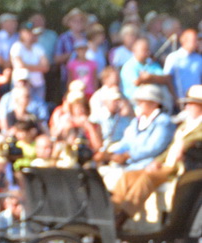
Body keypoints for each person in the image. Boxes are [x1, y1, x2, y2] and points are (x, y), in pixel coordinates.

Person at [105, 86, 180, 218]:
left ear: (154, 103)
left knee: (142, 180)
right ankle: (111, 212)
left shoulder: (164, 122)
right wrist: (110, 154)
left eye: (143, 101)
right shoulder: (137, 121)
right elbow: (125, 142)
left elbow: (155, 147)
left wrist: (129, 155)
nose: (139, 104)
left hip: (153, 164)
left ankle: (122, 217)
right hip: (134, 166)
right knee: (125, 179)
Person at [48, 83, 103, 164]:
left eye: (82, 106)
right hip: (67, 158)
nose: (81, 110)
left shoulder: (93, 124)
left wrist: (89, 127)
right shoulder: (64, 119)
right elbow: (56, 140)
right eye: (77, 107)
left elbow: (98, 147)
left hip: (87, 159)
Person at [120, 36, 173, 111]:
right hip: (136, 103)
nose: (147, 53)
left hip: (155, 99)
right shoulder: (128, 67)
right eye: (144, 50)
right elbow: (137, 82)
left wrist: (149, 77)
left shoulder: (151, 63)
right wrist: (151, 78)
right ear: (134, 51)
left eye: (148, 50)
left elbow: (165, 78)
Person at [8, 23, 51, 96]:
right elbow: (19, 65)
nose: (31, 34)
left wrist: (27, 66)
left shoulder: (38, 47)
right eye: (28, 32)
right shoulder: (16, 47)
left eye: (32, 32)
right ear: (21, 33)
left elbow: (46, 67)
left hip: (38, 84)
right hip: (21, 84)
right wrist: (39, 67)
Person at [163, 29, 202, 104]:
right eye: (194, 40)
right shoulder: (173, 57)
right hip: (179, 99)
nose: (196, 43)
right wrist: (175, 98)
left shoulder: (199, 59)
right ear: (185, 41)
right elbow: (167, 79)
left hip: (196, 100)